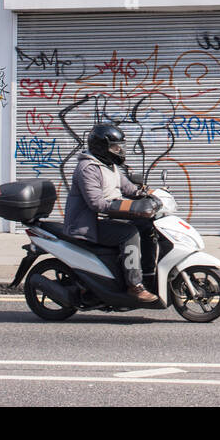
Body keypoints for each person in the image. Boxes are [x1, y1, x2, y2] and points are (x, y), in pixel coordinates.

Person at [64, 122, 159, 304]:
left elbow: (128, 188)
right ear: (102, 147)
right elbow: (97, 203)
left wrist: (147, 194)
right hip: (89, 225)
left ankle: (147, 273)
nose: (119, 151)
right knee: (129, 233)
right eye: (115, 147)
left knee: (147, 226)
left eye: (120, 147)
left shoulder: (109, 165)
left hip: (108, 219)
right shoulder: (88, 168)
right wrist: (130, 208)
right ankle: (134, 286)